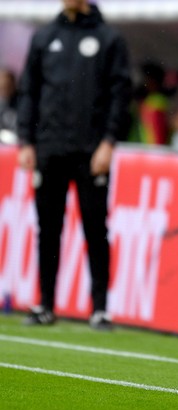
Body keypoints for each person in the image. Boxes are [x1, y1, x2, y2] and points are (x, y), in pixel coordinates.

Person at [17, 0, 132, 329]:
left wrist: (109, 142)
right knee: (48, 230)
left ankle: (100, 308)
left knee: (96, 229)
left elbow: (120, 94)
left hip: (91, 152)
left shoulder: (108, 38)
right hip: (49, 150)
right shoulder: (44, 37)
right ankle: (45, 304)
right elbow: (29, 92)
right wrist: (26, 141)